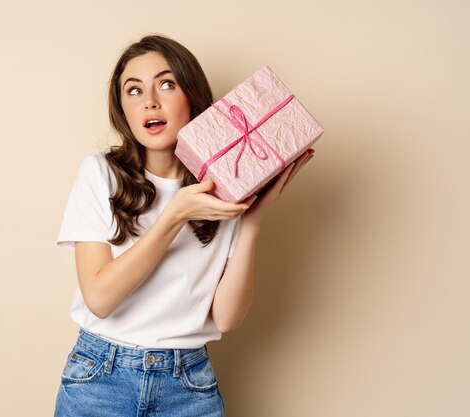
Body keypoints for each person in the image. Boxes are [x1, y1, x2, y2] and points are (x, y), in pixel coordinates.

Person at [54, 34, 314, 417]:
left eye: (166, 84)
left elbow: (226, 317)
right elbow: (100, 298)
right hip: (99, 379)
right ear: (122, 108)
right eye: (134, 90)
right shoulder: (100, 174)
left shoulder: (226, 184)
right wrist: (176, 214)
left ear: (192, 96)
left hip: (188, 384)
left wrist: (252, 222)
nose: (150, 101)